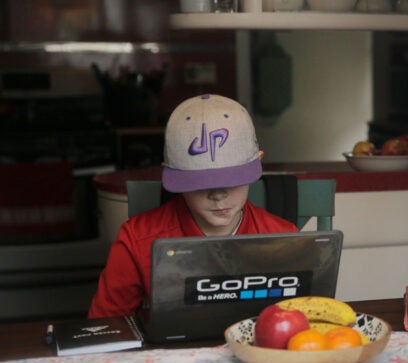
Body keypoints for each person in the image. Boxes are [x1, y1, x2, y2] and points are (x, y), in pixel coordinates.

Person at [88, 94, 298, 318]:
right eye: (200, 184)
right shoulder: (137, 238)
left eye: (233, 180)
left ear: (258, 160)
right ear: (171, 174)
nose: (218, 195)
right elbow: (103, 326)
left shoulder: (284, 238)